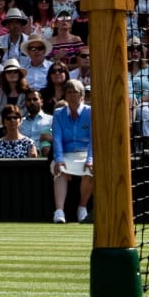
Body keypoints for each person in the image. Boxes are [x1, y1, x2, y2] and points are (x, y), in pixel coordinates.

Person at [50, 75, 93, 223]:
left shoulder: (90, 112)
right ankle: (59, 211)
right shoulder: (58, 113)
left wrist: (90, 159)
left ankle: (82, 207)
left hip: (85, 153)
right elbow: (57, 138)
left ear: (81, 95)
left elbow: (94, 139)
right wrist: (59, 159)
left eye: (75, 92)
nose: (72, 95)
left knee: (91, 170)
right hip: (66, 153)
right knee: (59, 170)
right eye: (69, 92)